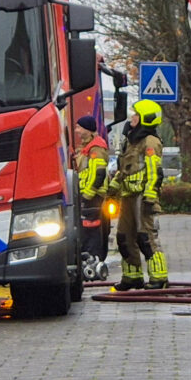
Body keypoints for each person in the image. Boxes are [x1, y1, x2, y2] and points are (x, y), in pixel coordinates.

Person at [109, 99, 169, 290]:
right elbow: (123, 169)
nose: (131, 118)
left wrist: (150, 197)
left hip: (142, 197)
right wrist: (112, 189)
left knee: (145, 237)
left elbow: (154, 172)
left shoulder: (150, 142)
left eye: (135, 114)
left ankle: (159, 277)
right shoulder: (131, 140)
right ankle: (132, 276)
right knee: (124, 237)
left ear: (146, 118)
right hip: (127, 195)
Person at [74, 115, 111, 280]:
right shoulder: (87, 147)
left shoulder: (96, 148)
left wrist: (88, 194)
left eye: (79, 127)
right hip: (87, 195)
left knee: (92, 231)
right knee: (87, 230)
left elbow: (99, 173)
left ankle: (94, 262)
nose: (76, 130)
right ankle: (88, 261)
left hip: (93, 197)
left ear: (87, 129)